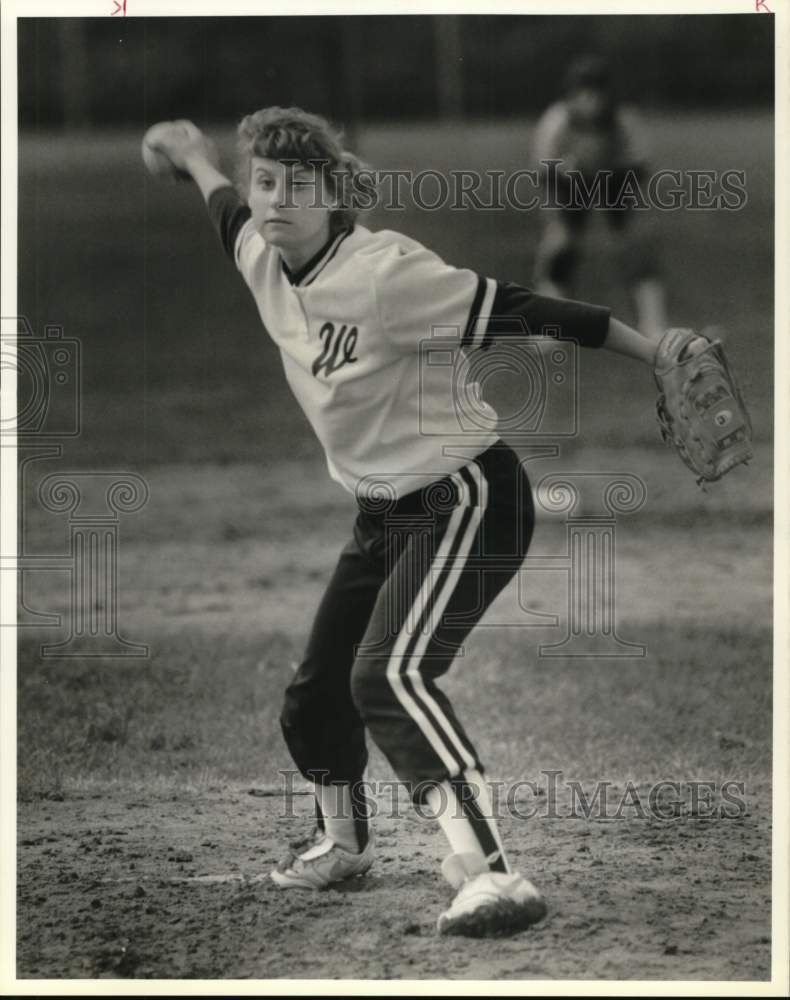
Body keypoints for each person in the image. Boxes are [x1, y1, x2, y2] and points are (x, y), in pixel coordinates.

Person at [148, 106, 667, 938]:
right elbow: (226, 212)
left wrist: (654, 355)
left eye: (299, 186)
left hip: (467, 496)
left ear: (335, 196)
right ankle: (343, 843)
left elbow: (529, 310)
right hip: (384, 514)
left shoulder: (387, 274)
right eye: (266, 182)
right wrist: (193, 156)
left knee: (387, 675)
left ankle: (494, 874)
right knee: (314, 699)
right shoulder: (264, 257)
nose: (276, 199)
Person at [532, 54, 669, 340]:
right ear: (570, 95)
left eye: (596, 93)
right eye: (582, 93)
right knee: (560, 247)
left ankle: (653, 324)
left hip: (615, 180)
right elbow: (543, 168)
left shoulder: (624, 120)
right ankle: (547, 327)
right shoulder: (556, 121)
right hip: (570, 185)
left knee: (635, 246)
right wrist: (564, 186)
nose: (589, 101)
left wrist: (612, 179)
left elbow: (640, 165)